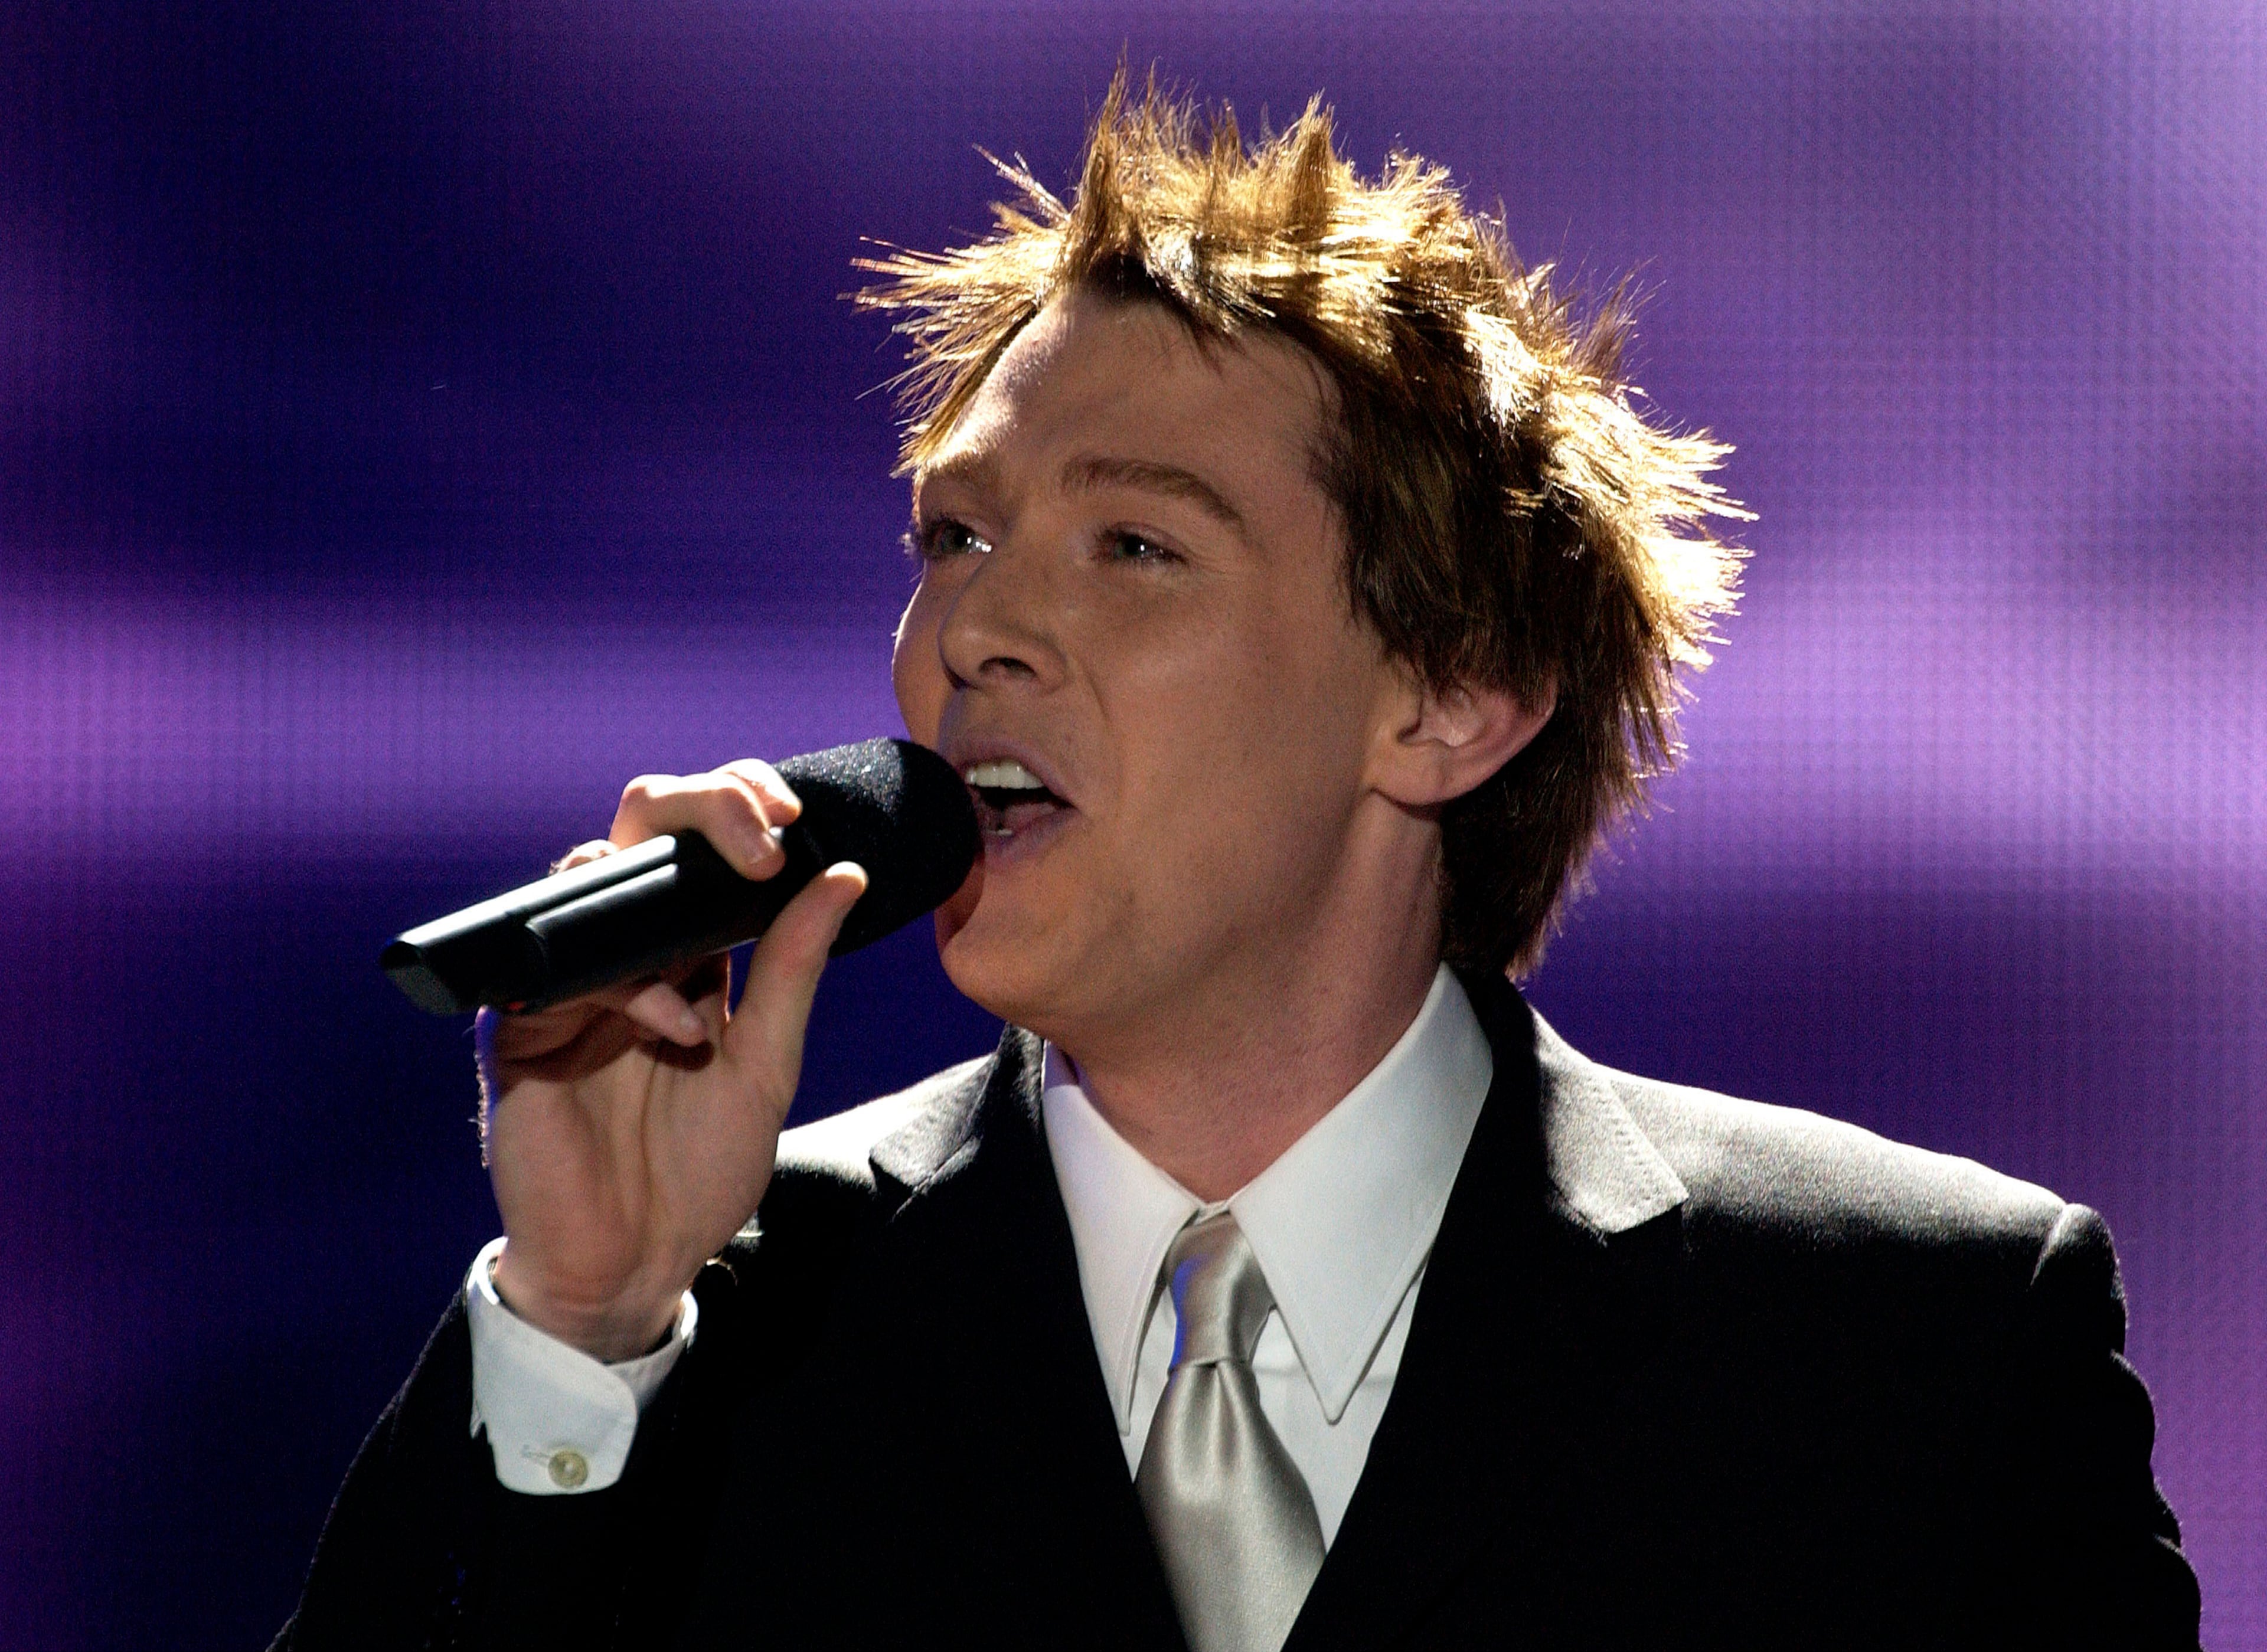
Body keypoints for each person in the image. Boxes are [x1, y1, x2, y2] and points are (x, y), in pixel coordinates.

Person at [276, 84, 2201, 1651]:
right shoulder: (701, 1324)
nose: (973, 636)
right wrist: (586, 1337)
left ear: (1453, 699)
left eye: (1134, 547)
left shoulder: (1910, 1348)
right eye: (955, 538)